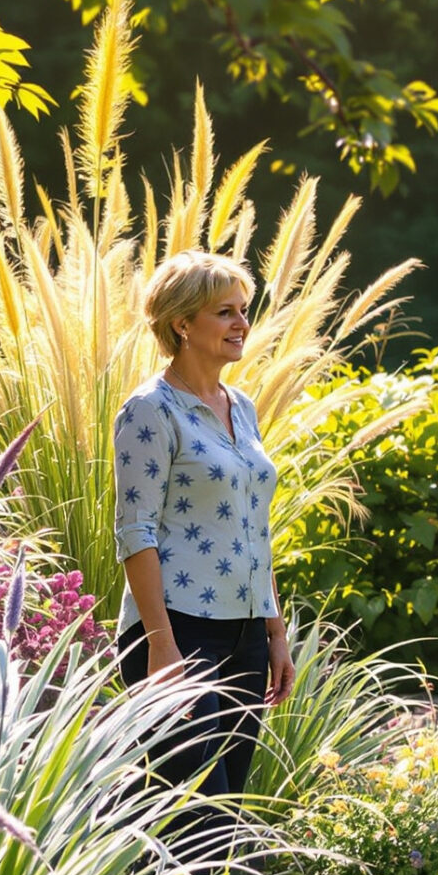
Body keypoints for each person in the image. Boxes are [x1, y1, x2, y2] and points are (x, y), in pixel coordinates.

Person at [112, 251, 298, 809]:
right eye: (225, 312)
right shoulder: (149, 411)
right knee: (197, 817)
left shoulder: (241, 406)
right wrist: (161, 645)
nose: (242, 323)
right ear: (182, 323)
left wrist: (274, 631)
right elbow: (134, 532)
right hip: (179, 633)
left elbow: (254, 527)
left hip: (245, 635)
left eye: (244, 310)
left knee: (226, 808)